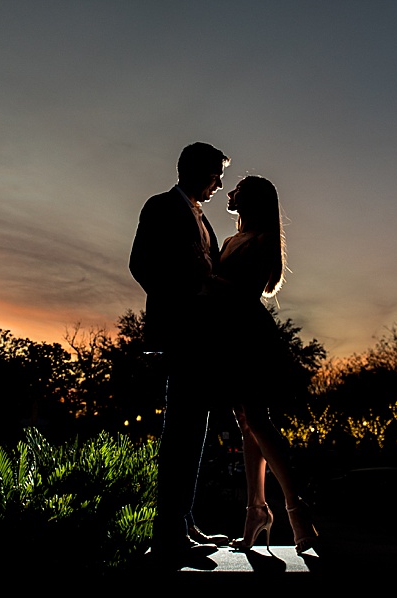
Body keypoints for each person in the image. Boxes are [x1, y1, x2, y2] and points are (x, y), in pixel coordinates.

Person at [129, 142, 233, 566]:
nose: (219, 184)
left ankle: (183, 521)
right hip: (181, 334)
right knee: (181, 432)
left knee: (194, 430)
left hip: (203, 338)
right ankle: (169, 534)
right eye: (215, 175)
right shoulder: (160, 207)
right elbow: (140, 264)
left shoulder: (201, 216)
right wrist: (187, 297)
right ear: (193, 170)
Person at [208, 175, 319, 555]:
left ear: (252, 199)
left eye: (237, 188)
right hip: (228, 338)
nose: (230, 192)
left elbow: (244, 292)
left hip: (250, 336)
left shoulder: (264, 240)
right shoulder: (229, 240)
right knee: (246, 421)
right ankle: (257, 510)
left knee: (257, 417)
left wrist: (206, 278)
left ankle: (295, 508)